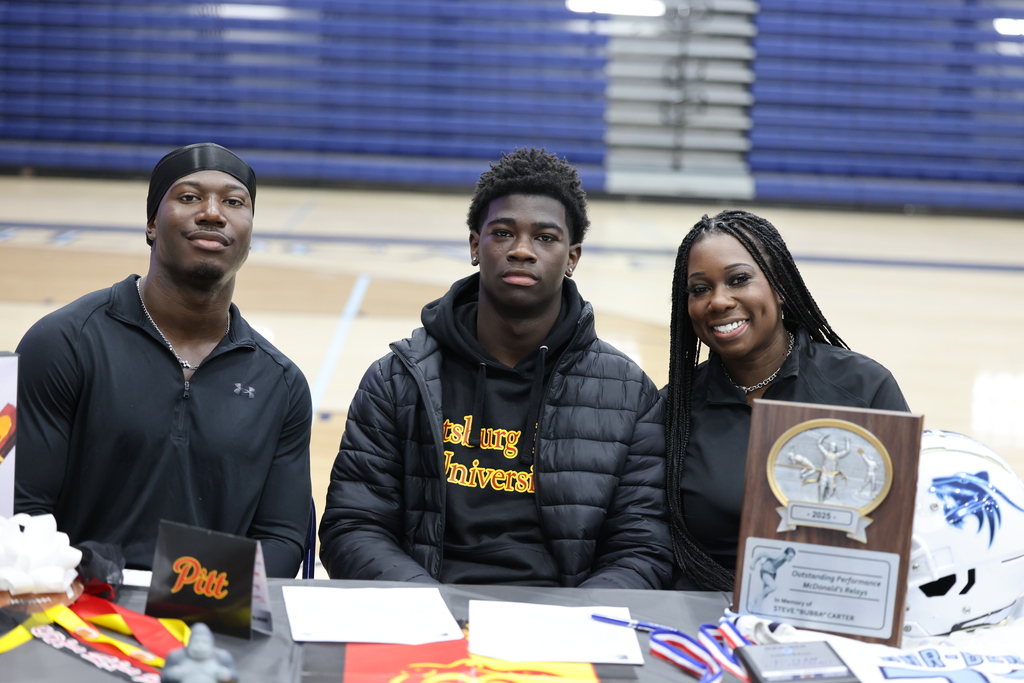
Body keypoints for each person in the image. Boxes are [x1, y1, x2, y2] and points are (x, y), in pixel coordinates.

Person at [319, 148, 672, 588]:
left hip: (563, 628)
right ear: (474, 245)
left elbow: (643, 548)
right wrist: (430, 609)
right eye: (503, 233)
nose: (522, 250)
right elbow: (352, 526)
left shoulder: (627, 393)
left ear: (573, 257)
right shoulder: (395, 381)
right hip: (426, 618)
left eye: (545, 237)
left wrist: (576, 621)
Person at [15, 143, 312, 578]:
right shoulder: (64, 343)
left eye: (234, 202)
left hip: (211, 617)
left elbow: (283, 538)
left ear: (249, 233)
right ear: (153, 224)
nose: (213, 212)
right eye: (189, 197)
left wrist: (187, 592)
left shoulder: (280, 383)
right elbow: (23, 513)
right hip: (80, 613)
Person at [664, 210, 908, 591]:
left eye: (738, 279)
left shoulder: (864, 388)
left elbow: (906, 534)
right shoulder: (673, 409)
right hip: (704, 623)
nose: (718, 301)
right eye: (699, 289)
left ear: (779, 285)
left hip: (836, 616)